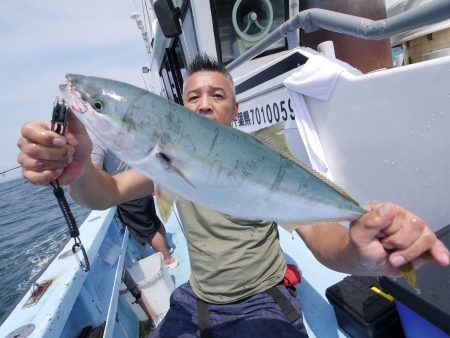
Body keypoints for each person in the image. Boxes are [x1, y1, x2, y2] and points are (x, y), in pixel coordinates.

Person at [17, 53, 450, 337]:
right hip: (197, 298)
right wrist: (80, 167)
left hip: (265, 300)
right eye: (193, 97)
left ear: (235, 110)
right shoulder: (160, 163)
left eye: (217, 95)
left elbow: (322, 239)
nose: (204, 104)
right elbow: (104, 192)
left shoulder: (263, 165)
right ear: (180, 110)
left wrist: (356, 251)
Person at [90, 133, 177, 269]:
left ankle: (168, 259)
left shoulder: (97, 139)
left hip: (127, 193)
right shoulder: (120, 132)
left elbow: (94, 172)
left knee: (148, 231)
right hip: (141, 184)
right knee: (153, 219)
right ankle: (167, 247)